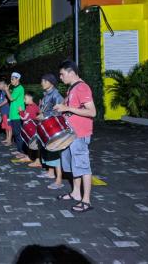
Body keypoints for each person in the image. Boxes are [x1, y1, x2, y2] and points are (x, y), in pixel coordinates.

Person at [54, 60, 96, 213]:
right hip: (71, 133)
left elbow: (92, 112)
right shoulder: (72, 88)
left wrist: (66, 107)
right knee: (73, 165)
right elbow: (72, 108)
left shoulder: (82, 88)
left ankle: (86, 201)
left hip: (80, 133)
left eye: (62, 74)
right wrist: (62, 108)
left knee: (83, 166)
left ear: (71, 73)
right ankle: (76, 193)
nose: (60, 77)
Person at [36, 74, 65, 188]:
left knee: (54, 151)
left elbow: (59, 111)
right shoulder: (46, 94)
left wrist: (45, 115)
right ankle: (50, 172)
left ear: (51, 83)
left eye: (44, 81)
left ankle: (59, 180)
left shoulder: (56, 95)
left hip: (53, 127)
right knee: (47, 149)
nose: (42, 83)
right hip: (46, 125)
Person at [4, 72, 25, 156]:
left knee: (18, 133)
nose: (11, 81)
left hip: (17, 114)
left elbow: (11, 98)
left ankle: (21, 151)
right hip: (13, 114)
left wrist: (6, 90)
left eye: (13, 79)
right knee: (16, 133)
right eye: (11, 79)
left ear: (17, 79)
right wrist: (8, 91)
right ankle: (19, 150)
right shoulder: (15, 88)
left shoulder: (20, 88)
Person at [16, 91, 40, 163]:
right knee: (30, 144)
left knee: (32, 144)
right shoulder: (33, 106)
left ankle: (33, 158)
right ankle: (29, 157)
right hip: (32, 128)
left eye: (25, 98)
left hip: (31, 129)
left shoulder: (31, 107)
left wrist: (20, 111)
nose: (24, 100)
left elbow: (24, 118)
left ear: (30, 98)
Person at [0, 80, 12, 146]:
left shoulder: (5, 91)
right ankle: (7, 138)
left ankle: (9, 141)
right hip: (3, 111)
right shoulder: (2, 91)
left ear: (4, 85)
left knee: (9, 126)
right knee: (5, 126)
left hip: (7, 111)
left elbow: (6, 100)